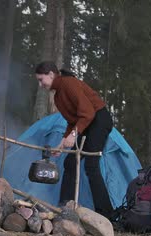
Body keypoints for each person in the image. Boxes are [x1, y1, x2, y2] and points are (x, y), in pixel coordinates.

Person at [34, 61, 113, 218]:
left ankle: (107, 215)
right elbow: (72, 121)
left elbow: (88, 112)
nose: (40, 84)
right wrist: (62, 143)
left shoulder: (69, 84)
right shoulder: (58, 97)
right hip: (86, 124)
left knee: (91, 165)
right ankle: (65, 207)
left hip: (98, 119)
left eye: (41, 80)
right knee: (70, 163)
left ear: (51, 74)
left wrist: (74, 134)